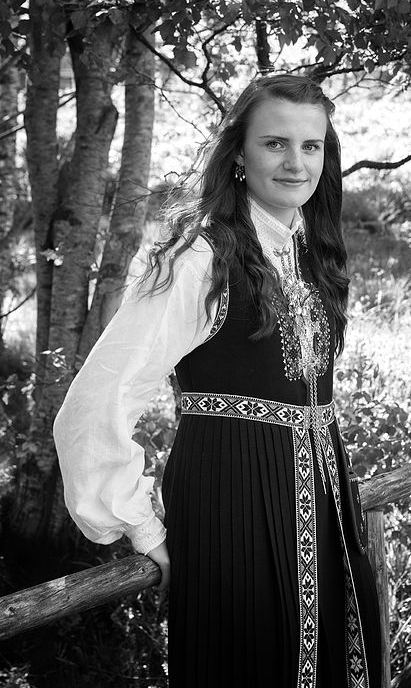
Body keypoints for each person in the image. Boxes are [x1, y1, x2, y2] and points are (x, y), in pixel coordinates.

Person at [53, 73, 382, 688]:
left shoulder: (310, 251)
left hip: (323, 503)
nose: (295, 163)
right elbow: (98, 398)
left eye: (311, 146)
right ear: (239, 154)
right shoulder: (201, 256)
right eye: (275, 143)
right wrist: (140, 525)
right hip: (231, 502)